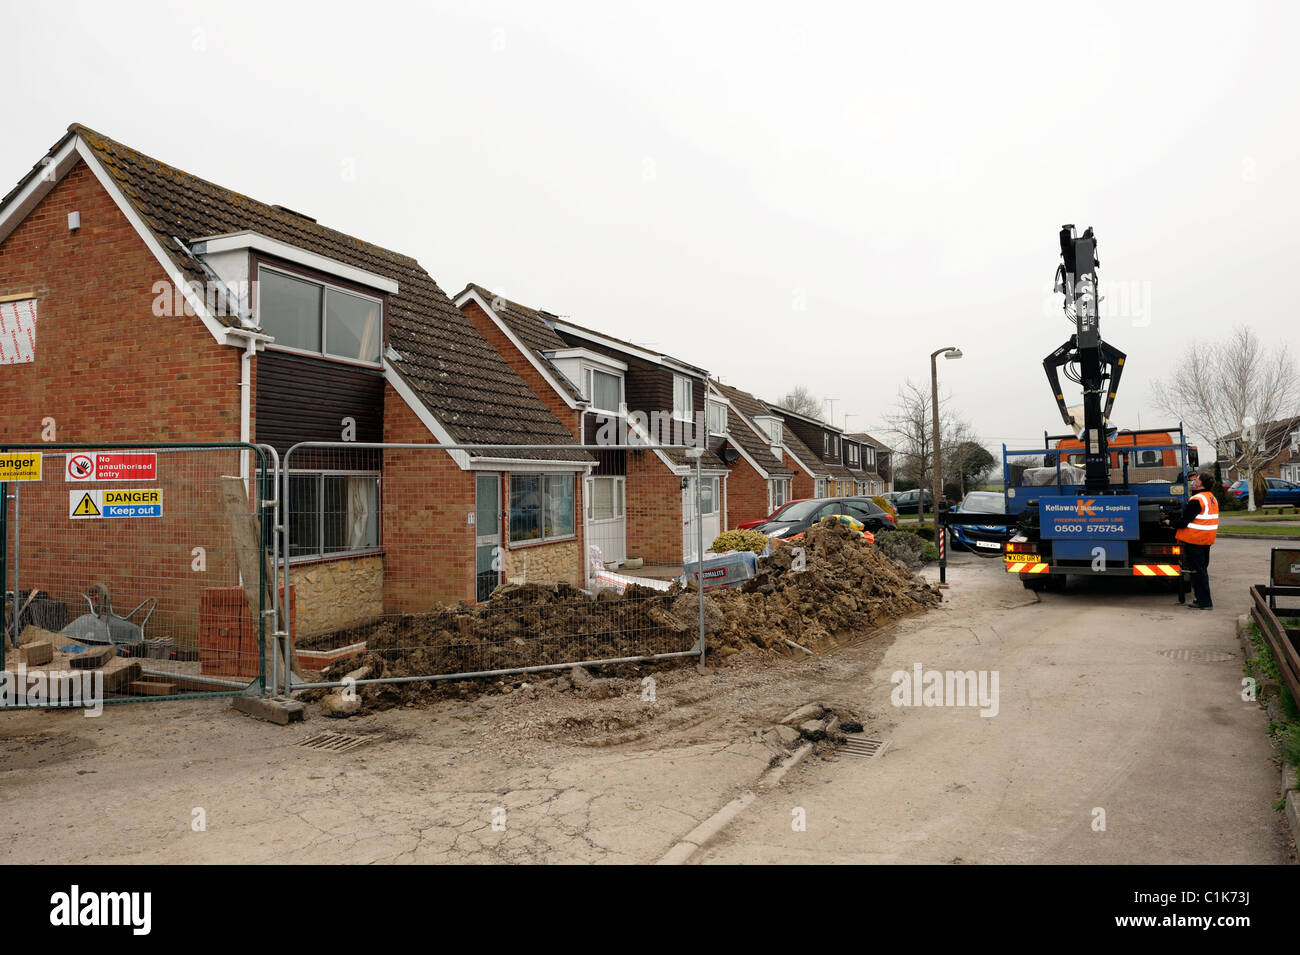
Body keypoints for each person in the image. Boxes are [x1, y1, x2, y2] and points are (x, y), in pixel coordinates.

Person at [1164, 472, 1220, 610]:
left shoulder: (1197, 499)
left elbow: (1184, 522)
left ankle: (1205, 602)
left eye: (1197, 480)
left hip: (1195, 540)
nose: (1194, 481)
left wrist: (1169, 522)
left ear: (1200, 484)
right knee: (1201, 570)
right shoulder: (1211, 498)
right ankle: (1200, 599)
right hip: (1205, 540)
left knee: (1197, 572)